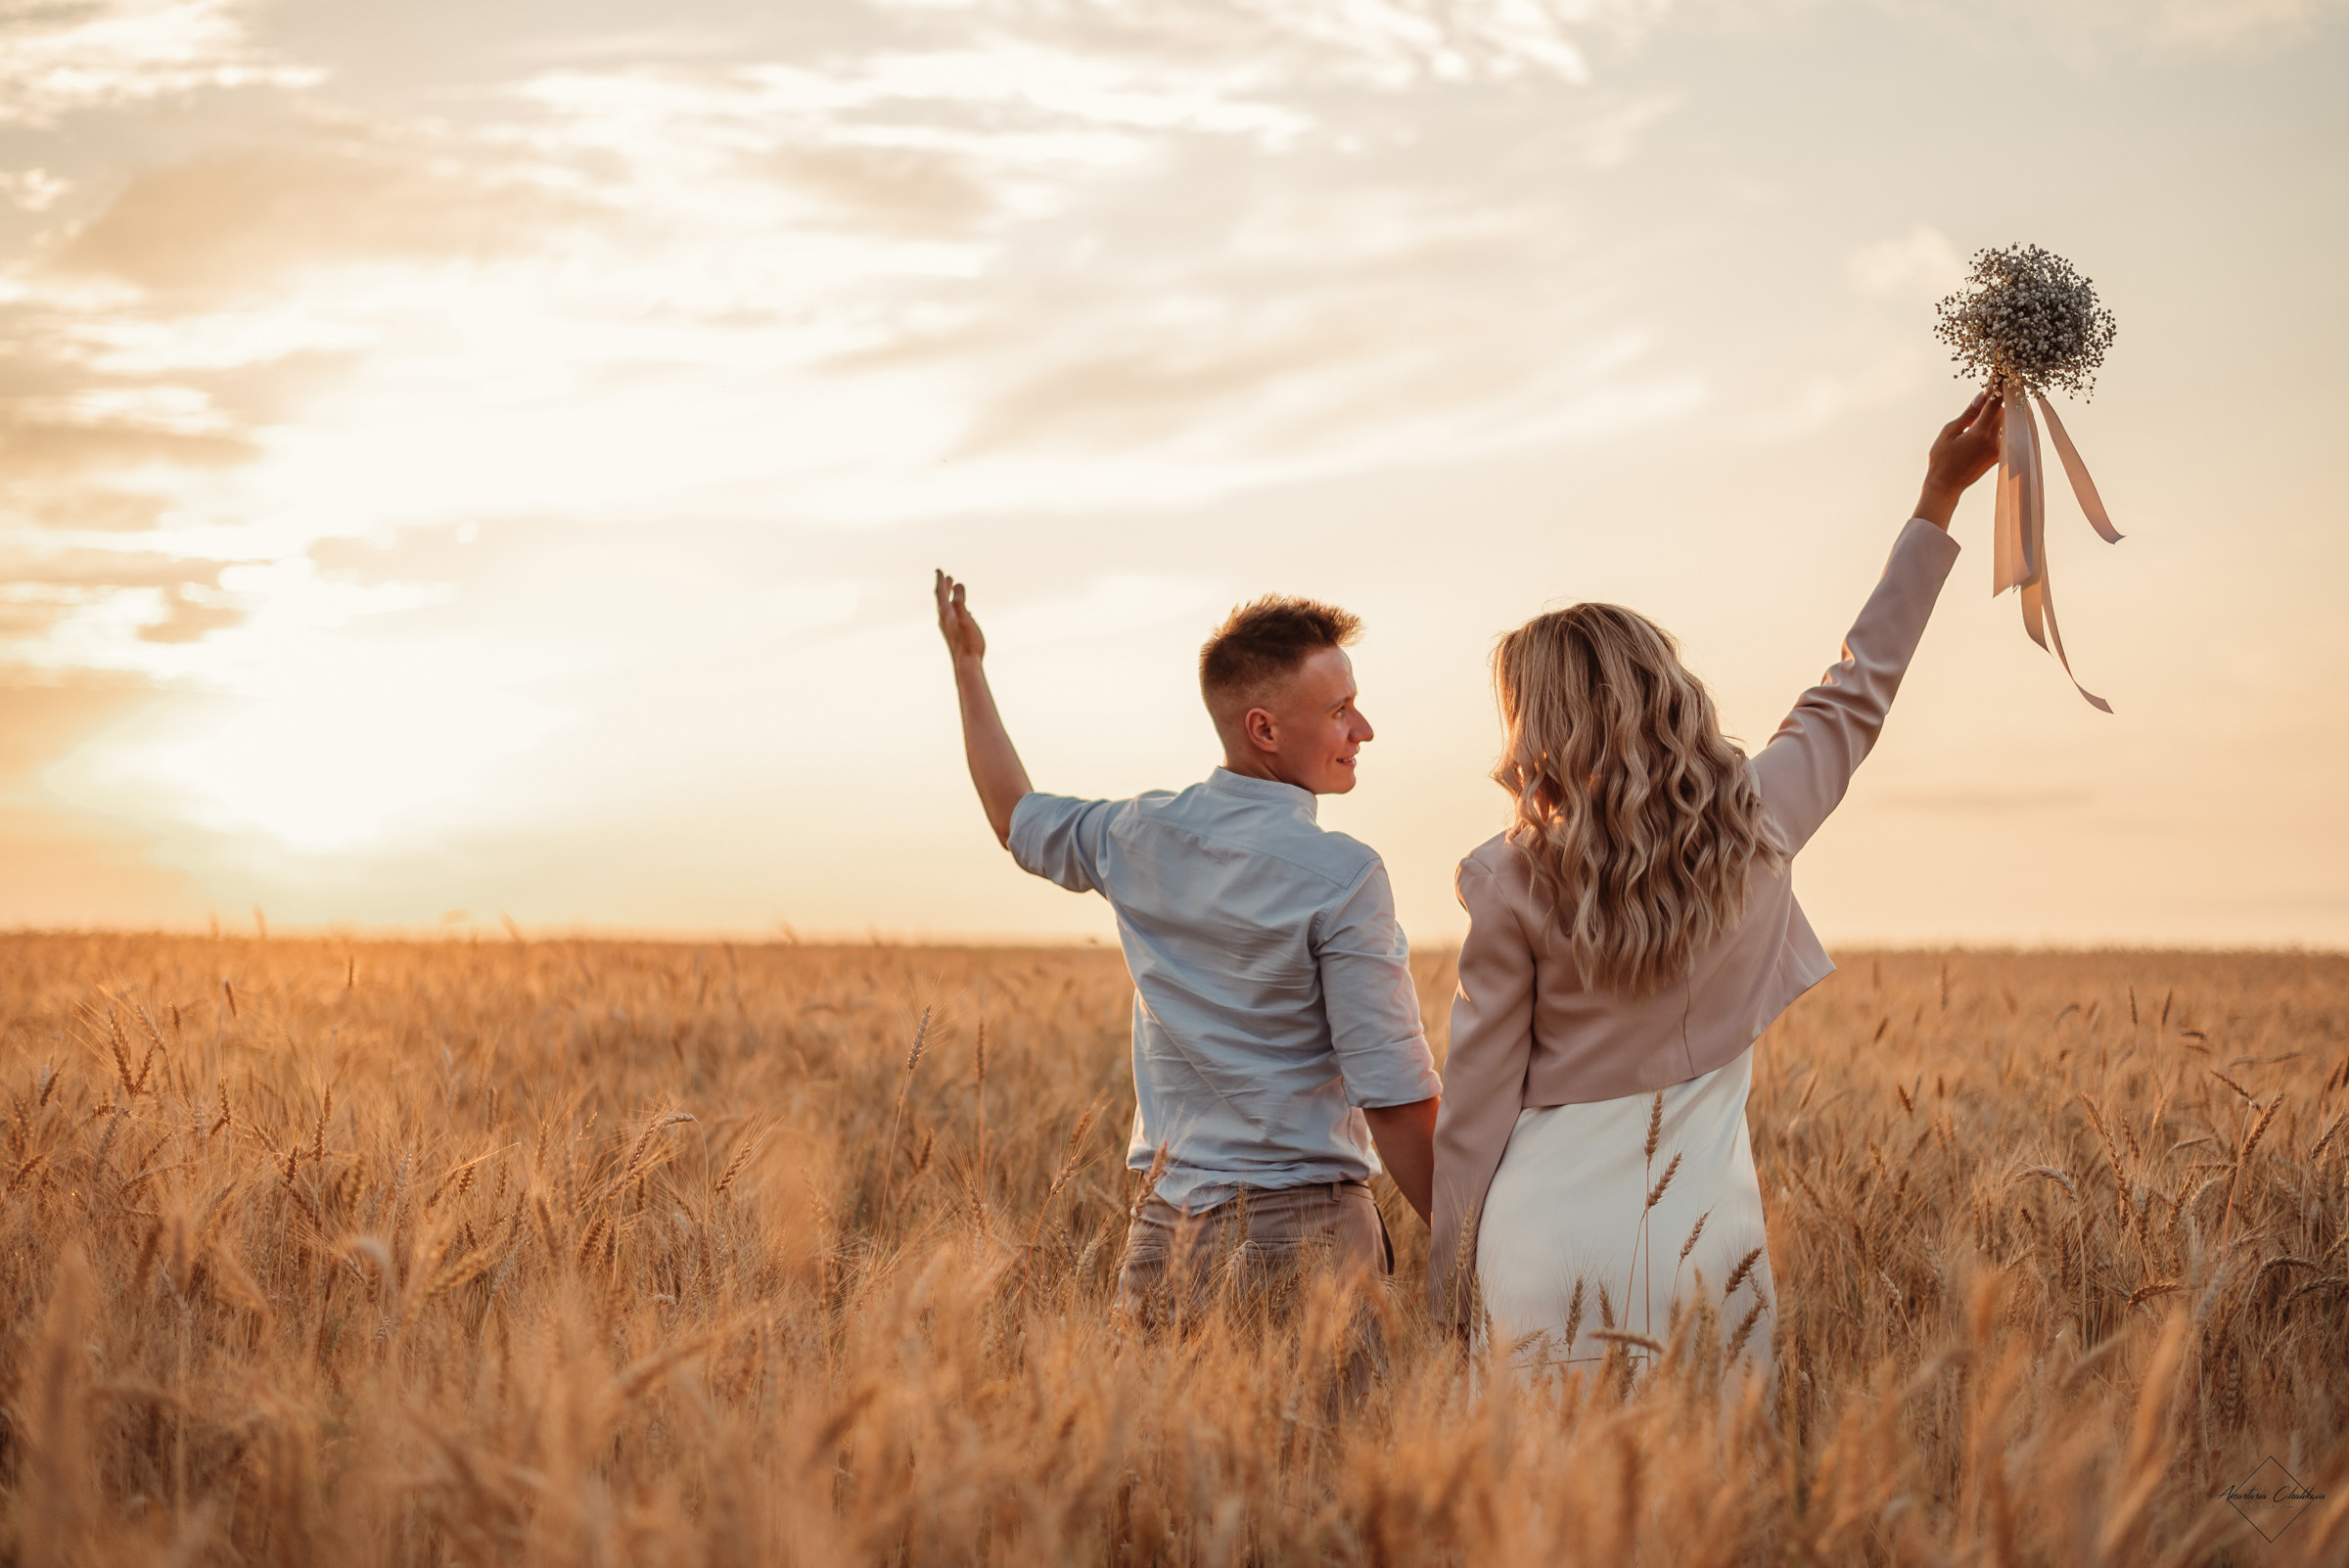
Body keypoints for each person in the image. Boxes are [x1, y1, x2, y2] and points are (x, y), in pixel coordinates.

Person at [1429, 391, 2007, 1378]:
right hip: (1712, 1242)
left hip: (1543, 1240)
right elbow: (1865, 676)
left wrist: (1447, 1283)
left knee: (1543, 1521)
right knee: (1709, 1512)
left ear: (1536, 726)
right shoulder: (1766, 812)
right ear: (1666, 691)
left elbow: (1476, 1105)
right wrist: (1937, 496)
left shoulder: (1506, 876)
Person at [935, 575, 1443, 1324]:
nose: (1362, 729)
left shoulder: (1136, 835)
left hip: (1165, 1242)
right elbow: (1395, 1096)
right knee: (1330, 1447)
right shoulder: (1345, 876)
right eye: (1340, 711)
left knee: (1161, 1447)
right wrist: (1470, 1241)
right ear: (1265, 730)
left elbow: (1014, 817)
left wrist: (968, 666)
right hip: (1309, 1249)